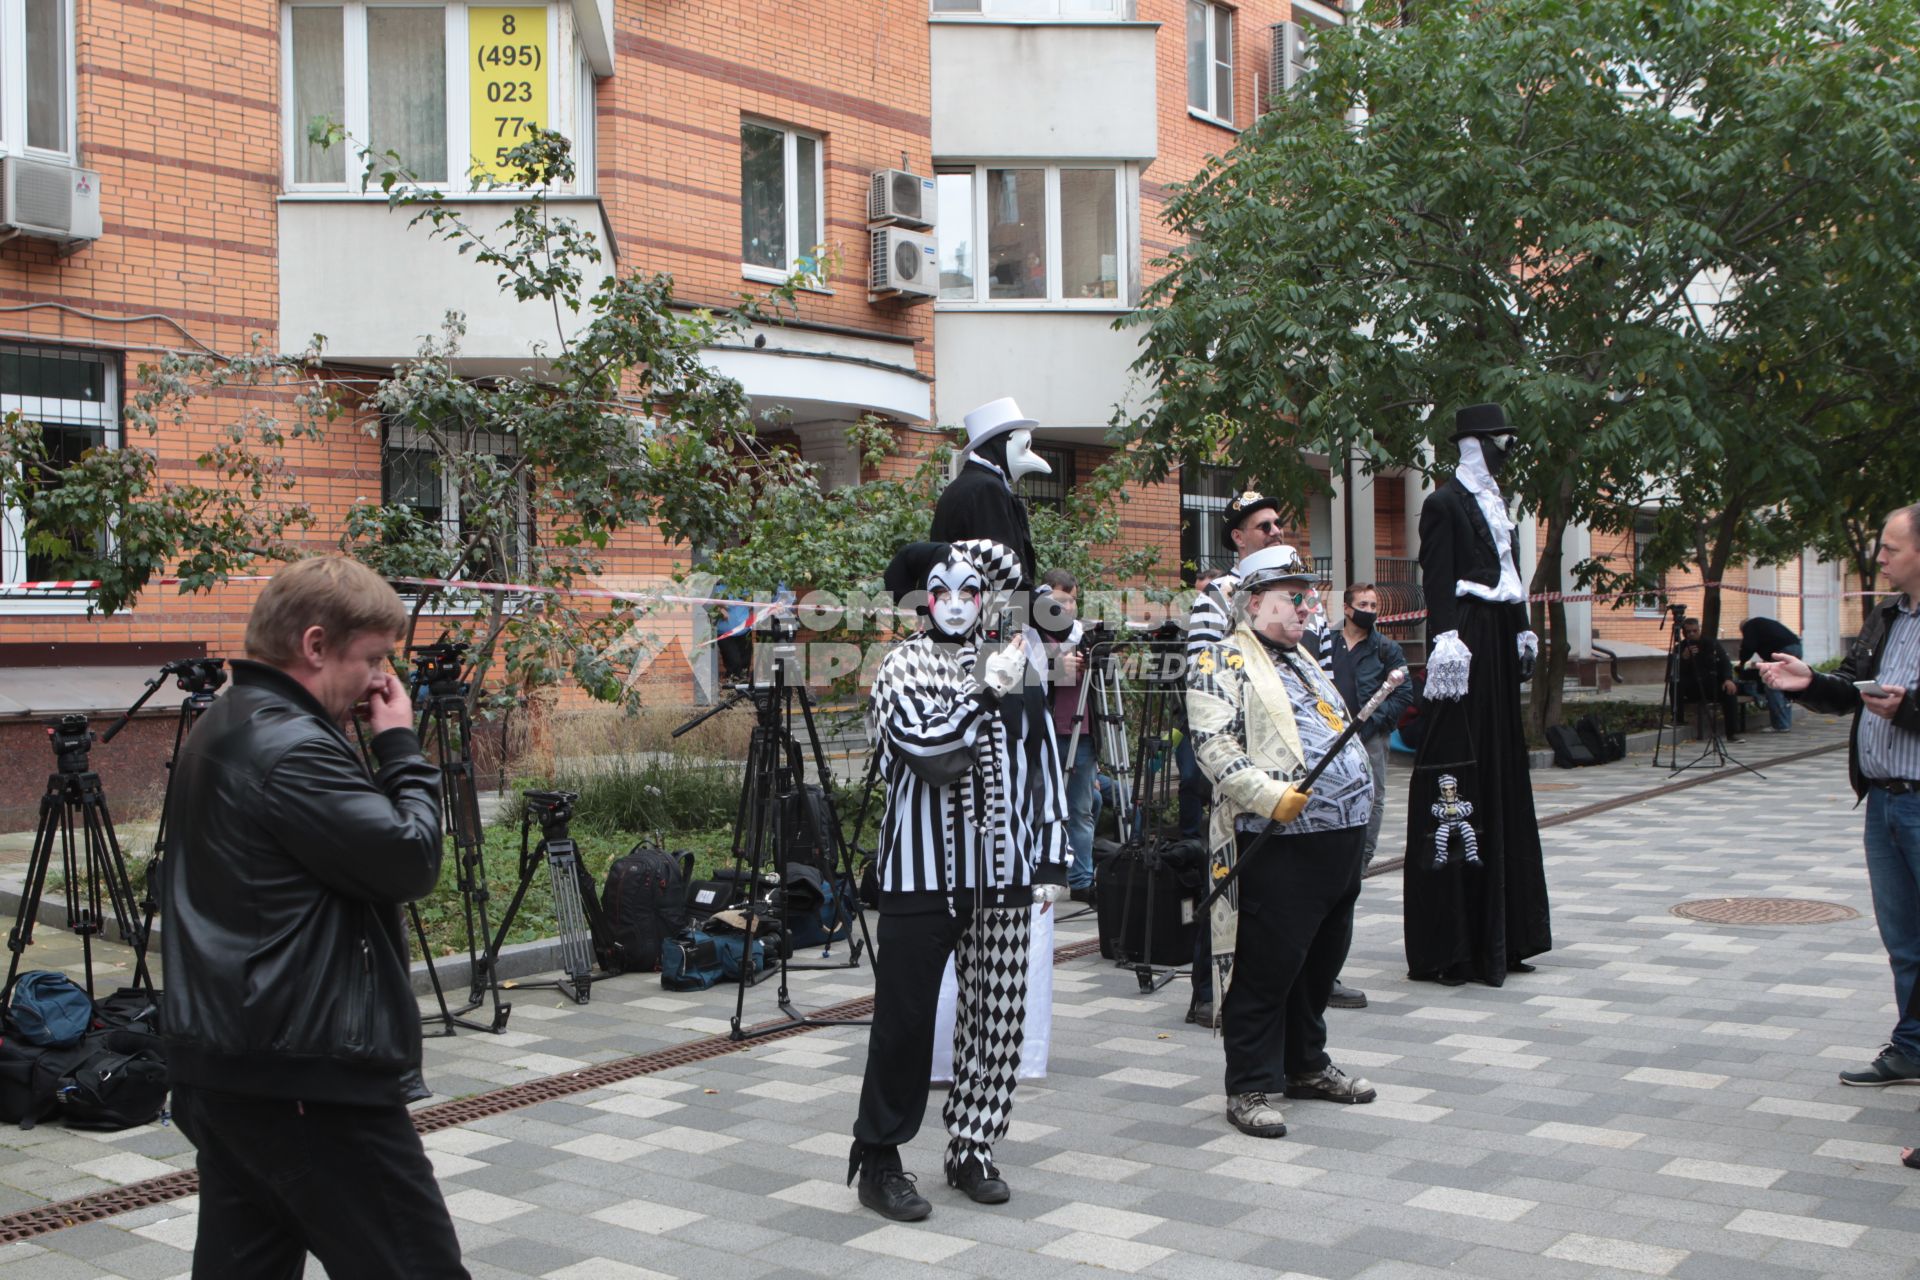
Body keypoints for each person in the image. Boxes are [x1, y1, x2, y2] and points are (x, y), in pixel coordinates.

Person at [159, 556, 467, 1280]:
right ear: (317, 645)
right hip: (309, 1078)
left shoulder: (231, 718)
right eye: (373, 659)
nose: (384, 681)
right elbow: (409, 858)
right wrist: (398, 744)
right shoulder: (290, 747)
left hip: (237, 1064)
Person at [848, 540, 1069, 1222]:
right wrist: (985, 689)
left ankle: (972, 1143)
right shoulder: (900, 667)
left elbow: (1044, 762)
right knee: (906, 1020)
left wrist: (1053, 855)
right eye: (940, 591)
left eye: (969, 592)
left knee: (999, 1020)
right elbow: (929, 753)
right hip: (922, 877)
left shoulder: (1013, 663)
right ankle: (879, 1158)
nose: (954, 603)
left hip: (1003, 872)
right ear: (920, 600)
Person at [1186, 544, 1377, 1138]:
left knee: (1320, 963)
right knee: (1266, 968)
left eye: (1309, 594)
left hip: (1338, 843)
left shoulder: (1305, 658)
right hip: (1279, 841)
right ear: (1253, 601)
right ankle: (1248, 1084)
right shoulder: (1220, 659)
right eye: (1294, 595)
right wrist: (1267, 796)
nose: (1309, 605)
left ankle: (1306, 1065)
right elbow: (1213, 746)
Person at [1758, 503, 1920, 1093]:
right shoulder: (1887, 617)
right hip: (1883, 802)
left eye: (1891, 549)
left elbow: (1904, 704)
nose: (1879, 558)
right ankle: (1911, 1048)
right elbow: (1852, 688)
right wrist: (1809, 683)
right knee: (1903, 940)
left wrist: (1909, 708)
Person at [1403, 402, 1552, 987]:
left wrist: (1522, 627)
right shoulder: (1442, 504)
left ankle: (1507, 931)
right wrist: (1444, 637)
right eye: (1496, 442)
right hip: (1464, 641)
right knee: (1458, 774)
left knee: (1500, 773)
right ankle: (1455, 942)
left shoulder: (1497, 506)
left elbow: (1511, 573)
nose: (1503, 455)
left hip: (1494, 642)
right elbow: (1436, 575)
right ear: (1472, 444)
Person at [1328, 583, 1415, 864]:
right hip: (1331, 734)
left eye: (1373, 606)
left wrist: (1374, 722)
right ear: (1346, 608)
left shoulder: (1385, 648)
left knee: (1373, 795)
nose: (1368, 611)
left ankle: (1363, 859)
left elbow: (1404, 693)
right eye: (1362, 605)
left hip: (1370, 736)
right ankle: (1333, 855)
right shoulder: (1326, 643)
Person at [1044, 567, 1097, 902]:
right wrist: (1055, 668)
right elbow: (1015, 675)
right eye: (1063, 600)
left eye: (1074, 601)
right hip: (1048, 731)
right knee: (1045, 809)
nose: (1069, 608)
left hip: (1083, 731)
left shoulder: (1080, 634)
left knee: (1081, 809)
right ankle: (1045, 870)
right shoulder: (1033, 632)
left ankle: (1082, 880)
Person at [1674, 617, 1745, 740]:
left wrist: (1728, 679)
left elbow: (1724, 662)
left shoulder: (1711, 643)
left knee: (1729, 692)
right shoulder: (1680, 648)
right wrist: (1684, 658)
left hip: (1710, 684)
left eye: (1694, 631)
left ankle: (1732, 733)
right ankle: (1678, 718)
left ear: (1699, 630)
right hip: (1692, 688)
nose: (1691, 634)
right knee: (1677, 685)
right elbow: (1676, 672)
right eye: (1688, 632)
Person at [1739, 615, 1803, 731]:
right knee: (1784, 685)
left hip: (1783, 650)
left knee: (1773, 685)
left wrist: (1742, 662)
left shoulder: (1750, 626)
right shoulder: (1763, 624)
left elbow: (1748, 646)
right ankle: (1785, 722)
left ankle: (1781, 725)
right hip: (1796, 647)